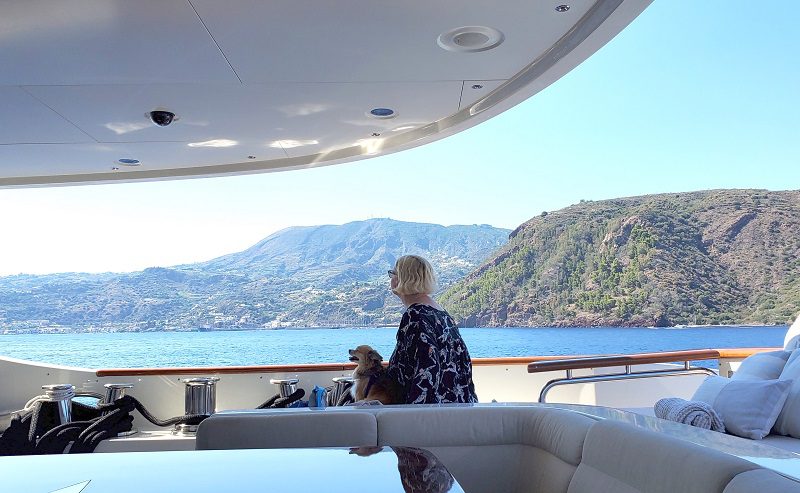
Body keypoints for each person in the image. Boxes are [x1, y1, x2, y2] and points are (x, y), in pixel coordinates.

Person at [386, 255, 478, 404]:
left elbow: (426, 371)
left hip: (431, 415)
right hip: (458, 406)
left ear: (402, 278)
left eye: (393, 273)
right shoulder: (442, 314)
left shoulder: (415, 315)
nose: (391, 278)